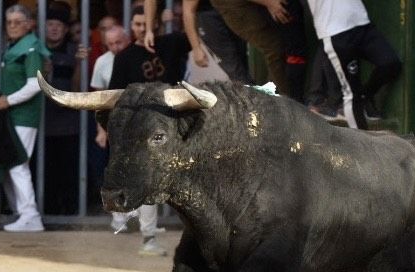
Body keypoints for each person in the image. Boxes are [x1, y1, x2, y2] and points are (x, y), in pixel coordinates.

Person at [107, 5, 190, 256]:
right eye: (137, 24)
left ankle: (198, 238)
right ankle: (149, 237)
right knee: (147, 180)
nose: (141, 29)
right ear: (131, 26)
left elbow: (196, 32)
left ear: (154, 23)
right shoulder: (124, 57)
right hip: (141, 131)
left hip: (177, 125)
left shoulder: (172, 43)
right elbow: (115, 98)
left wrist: (176, 16)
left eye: (145, 24)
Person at [148, 0, 306, 101]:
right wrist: (196, 47)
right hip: (208, 15)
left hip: (233, 7)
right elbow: (188, 10)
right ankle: (266, 104)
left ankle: (268, 100)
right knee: (238, 69)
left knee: (250, 58)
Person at [0, 4, 50, 232]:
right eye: (9, 22)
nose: (13, 26)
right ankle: (22, 213)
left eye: (18, 22)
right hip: (12, 116)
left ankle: (30, 216)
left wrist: (8, 100)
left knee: (17, 164)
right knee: (10, 164)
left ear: (29, 24)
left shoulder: (32, 48)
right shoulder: (16, 45)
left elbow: (35, 84)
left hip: (23, 115)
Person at [305, 0, 402, 130]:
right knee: (351, 95)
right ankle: (362, 144)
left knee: (391, 63)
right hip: (335, 31)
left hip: (360, 22)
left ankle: (365, 97)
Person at [90, 25, 130, 230]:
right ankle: (119, 219)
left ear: (128, 39)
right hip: (114, 124)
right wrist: (101, 129)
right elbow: (99, 100)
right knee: (115, 171)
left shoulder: (136, 56)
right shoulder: (102, 62)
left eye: (119, 42)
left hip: (138, 123)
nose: (115, 47)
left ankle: (143, 220)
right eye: (111, 44)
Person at [43, 6, 82, 215]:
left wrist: (79, 64)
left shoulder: (73, 51)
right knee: (45, 171)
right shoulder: (36, 49)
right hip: (42, 123)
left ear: (66, 29)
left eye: (59, 25)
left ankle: (71, 212)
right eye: (50, 24)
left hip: (68, 123)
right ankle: (47, 210)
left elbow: (77, 90)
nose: (54, 29)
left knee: (68, 171)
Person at [177, 0, 251, 83]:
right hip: (210, 19)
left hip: (234, 13)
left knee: (245, 67)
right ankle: (250, 93)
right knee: (236, 71)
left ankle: (251, 90)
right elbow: (188, 11)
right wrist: (196, 48)